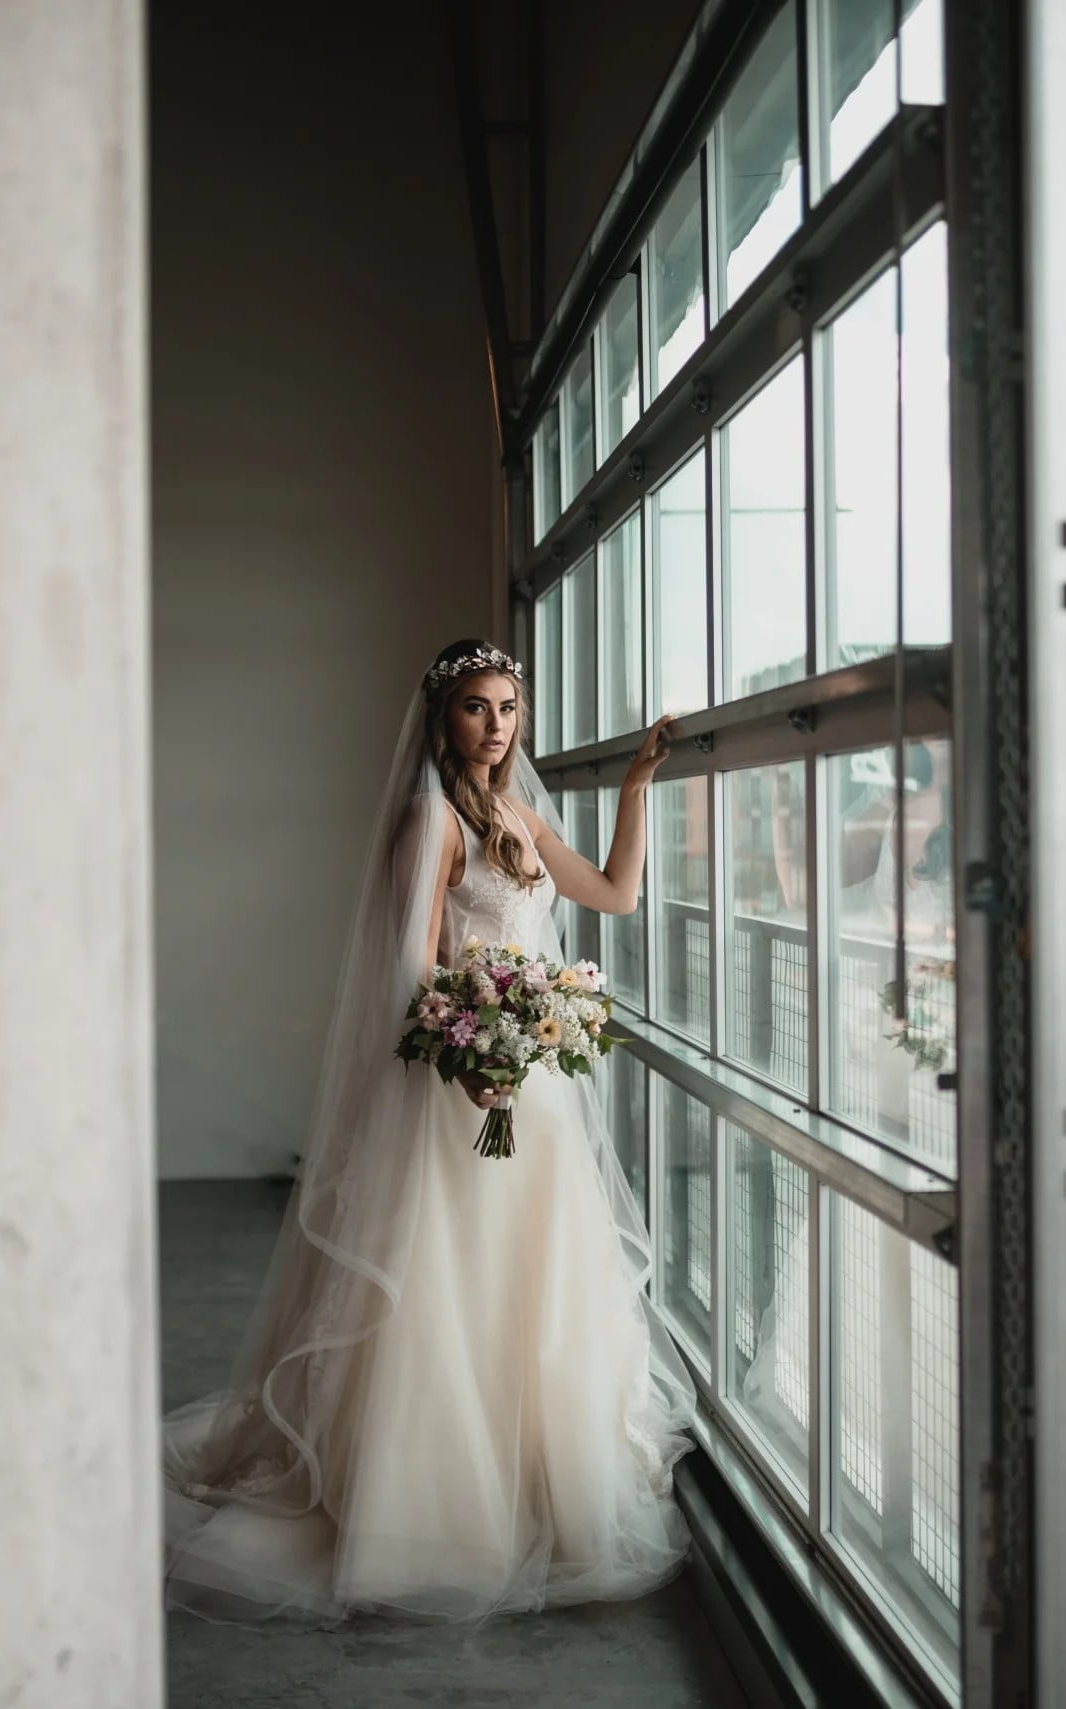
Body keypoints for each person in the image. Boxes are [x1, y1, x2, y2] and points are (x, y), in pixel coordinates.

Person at [161, 639, 692, 1623]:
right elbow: (407, 968)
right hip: (463, 1087)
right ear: (442, 719)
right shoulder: (430, 818)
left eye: (506, 708)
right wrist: (472, 1051)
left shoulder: (523, 815)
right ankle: (434, 1494)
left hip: (528, 1086)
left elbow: (614, 893)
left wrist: (638, 783)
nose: (495, 726)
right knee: (452, 1285)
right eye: (475, 708)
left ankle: (530, 1468)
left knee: (527, 1278)